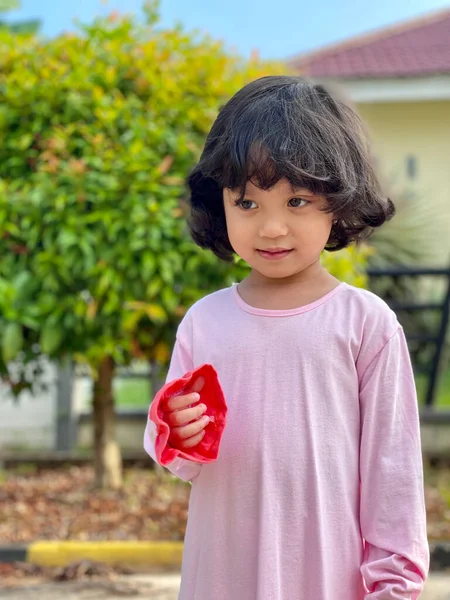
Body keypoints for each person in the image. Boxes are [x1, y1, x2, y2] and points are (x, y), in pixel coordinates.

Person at [144, 75, 429, 600]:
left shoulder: (366, 324)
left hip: (325, 578)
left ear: (338, 201)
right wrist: (176, 433)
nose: (272, 227)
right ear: (220, 203)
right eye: (247, 203)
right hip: (221, 575)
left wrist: (393, 585)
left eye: (296, 201)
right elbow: (179, 459)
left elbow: (394, 473)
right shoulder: (203, 323)